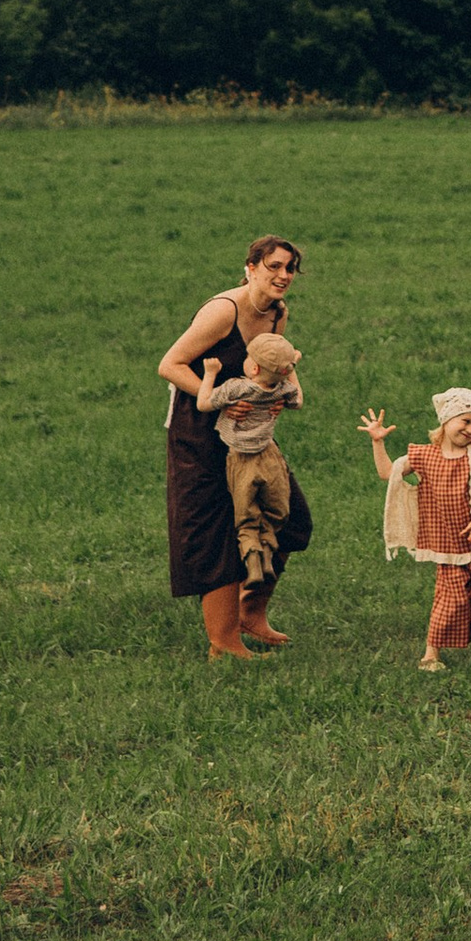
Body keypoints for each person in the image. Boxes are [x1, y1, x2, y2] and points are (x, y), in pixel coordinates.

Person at [157, 237, 314, 659]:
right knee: (213, 532)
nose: (283, 276)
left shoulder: (277, 313)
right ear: (250, 267)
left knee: (291, 517)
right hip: (198, 431)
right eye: (274, 266)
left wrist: (275, 396)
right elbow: (169, 366)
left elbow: (269, 370)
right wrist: (225, 397)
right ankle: (223, 642)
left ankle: (252, 613)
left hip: (249, 436)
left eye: (290, 268)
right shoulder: (222, 311)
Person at [366, 385, 471, 671]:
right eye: (465, 421)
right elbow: (388, 473)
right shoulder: (424, 456)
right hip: (447, 544)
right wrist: (378, 442)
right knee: (448, 601)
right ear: (446, 419)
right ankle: (431, 653)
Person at [196, 329, 302, 606]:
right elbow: (298, 401)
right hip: (269, 456)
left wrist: (209, 373)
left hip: (241, 460)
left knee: (245, 515)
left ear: (253, 367)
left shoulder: (235, 387)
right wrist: (291, 370)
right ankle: (267, 548)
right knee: (277, 510)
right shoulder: (282, 389)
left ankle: (254, 561)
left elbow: (204, 403)